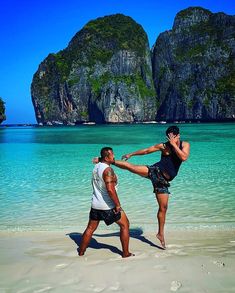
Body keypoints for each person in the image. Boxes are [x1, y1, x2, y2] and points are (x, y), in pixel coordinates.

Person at [95, 126, 190, 249]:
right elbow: (146, 151)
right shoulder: (164, 146)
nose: (170, 140)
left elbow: (184, 157)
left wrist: (175, 145)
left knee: (163, 207)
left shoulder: (185, 145)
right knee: (132, 168)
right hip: (156, 171)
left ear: (178, 136)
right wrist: (131, 154)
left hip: (163, 181)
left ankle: (160, 233)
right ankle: (104, 161)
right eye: (168, 138)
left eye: (173, 137)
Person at [79, 147, 133, 258]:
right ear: (107, 157)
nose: (114, 156)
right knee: (125, 225)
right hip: (108, 206)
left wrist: (99, 159)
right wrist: (117, 205)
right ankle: (126, 253)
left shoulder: (96, 167)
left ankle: (81, 252)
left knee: (90, 228)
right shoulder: (108, 170)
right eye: (112, 155)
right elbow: (110, 190)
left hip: (95, 204)